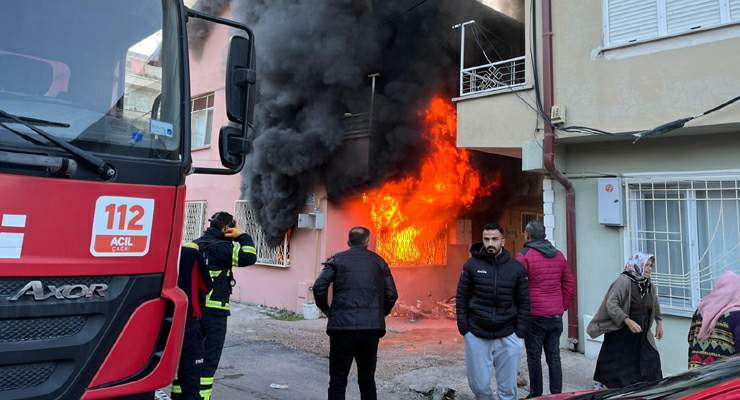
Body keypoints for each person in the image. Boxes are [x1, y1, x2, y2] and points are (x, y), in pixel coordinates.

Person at [312, 226, 398, 400]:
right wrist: (380, 314)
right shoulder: (379, 262)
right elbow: (392, 294)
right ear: (367, 242)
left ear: (348, 241)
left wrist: (328, 311)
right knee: (367, 379)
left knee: (338, 379)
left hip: (342, 328)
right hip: (370, 329)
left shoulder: (336, 260)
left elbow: (319, 287)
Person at [456, 223, 530, 400]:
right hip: (477, 333)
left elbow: (524, 302)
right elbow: (461, 297)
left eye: (494, 239)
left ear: (502, 241)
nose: (490, 243)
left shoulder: (516, 268)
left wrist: (519, 333)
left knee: (508, 390)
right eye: (486, 239)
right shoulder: (471, 266)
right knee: (480, 387)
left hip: (508, 334)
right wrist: (464, 328)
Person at [195, 211, 257, 399]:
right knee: (209, 360)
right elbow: (249, 256)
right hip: (215, 313)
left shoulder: (195, 244)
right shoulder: (222, 248)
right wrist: (243, 236)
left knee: (190, 358)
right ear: (226, 228)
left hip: (193, 312)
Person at [516, 220, 574, 398]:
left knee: (534, 357)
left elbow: (517, 286)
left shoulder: (524, 256)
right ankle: (557, 395)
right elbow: (569, 283)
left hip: (534, 316)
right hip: (555, 316)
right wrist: (562, 306)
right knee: (554, 357)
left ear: (528, 235)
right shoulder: (558, 255)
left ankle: (536, 395)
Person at [587, 252, 663, 389]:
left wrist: (659, 322)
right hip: (621, 332)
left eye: (651, 266)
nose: (649, 269)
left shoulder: (647, 283)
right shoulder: (624, 281)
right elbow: (611, 304)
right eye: (646, 265)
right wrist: (627, 321)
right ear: (638, 265)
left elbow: (654, 302)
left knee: (651, 360)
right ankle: (608, 387)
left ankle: (647, 389)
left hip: (642, 333)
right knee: (616, 366)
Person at [171, 241, 213, 400]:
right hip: (188, 320)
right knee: (190, 374)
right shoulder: (193, 255)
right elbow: (207, 286)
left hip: (160, 319)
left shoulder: (163, 252)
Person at [687, 271, 740, 369]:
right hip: (722, 376)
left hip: (696, 375)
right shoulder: (736, 316)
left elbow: (690, 340)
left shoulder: (700, 311)